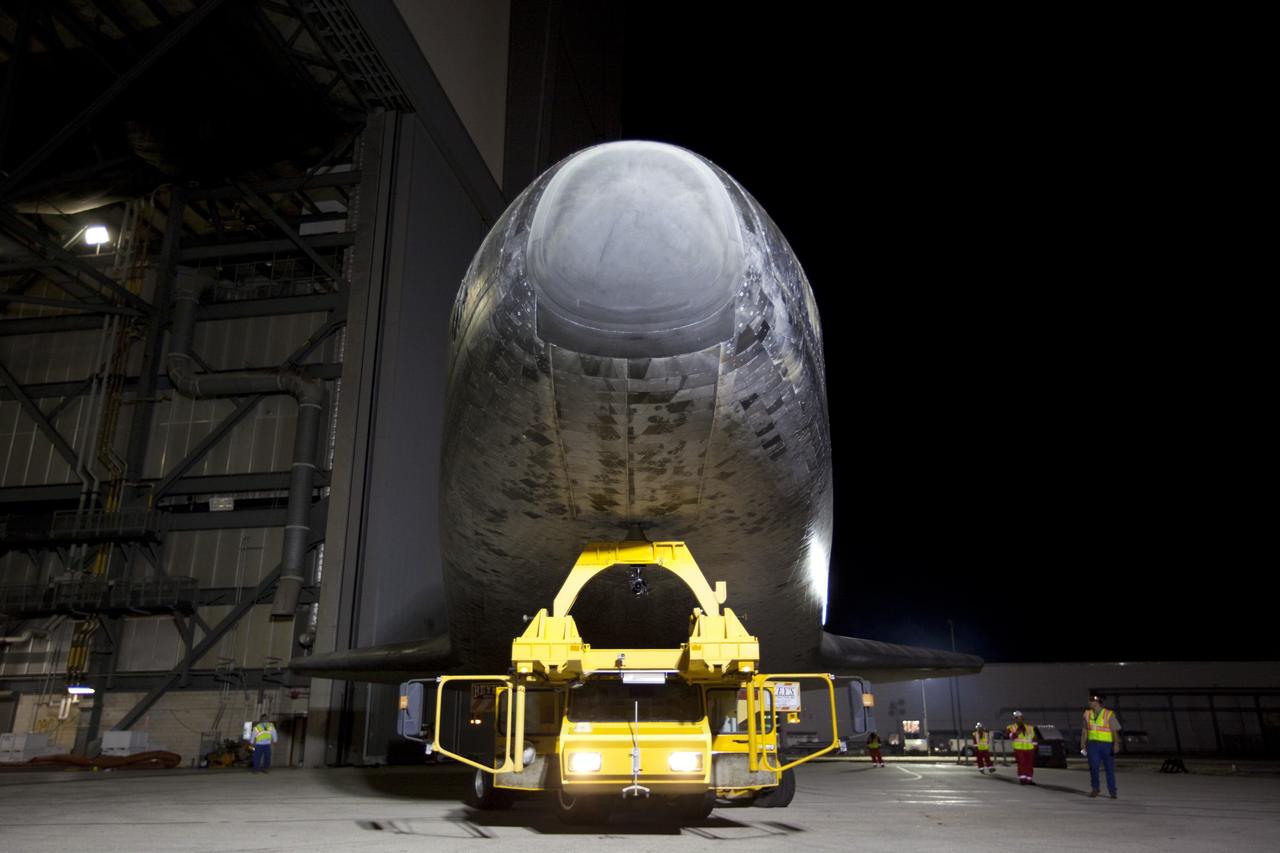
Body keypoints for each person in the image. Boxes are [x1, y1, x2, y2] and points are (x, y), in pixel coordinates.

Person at [1081, 694, 1121, 798]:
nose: (1090, 703)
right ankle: (1095, 789)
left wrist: (1116, 743)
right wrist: (1083, 744)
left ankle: (1112, 791)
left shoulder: (1108, 714)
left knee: (1109, 768)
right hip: (1093, 744)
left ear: (1098, 702)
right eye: (1089, 701)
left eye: (1092, 701)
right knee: (1094, 767)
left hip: (1107, 745)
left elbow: (1114, 730)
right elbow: (1085, 730)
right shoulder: (1087, 714)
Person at [1005, 711, 1038, 785]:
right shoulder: (1011, 727)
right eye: (1016, 718)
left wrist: (1035, 746)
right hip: (1019, 749)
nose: (1018, 719)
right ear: (1014, 719)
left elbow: (1034, 738)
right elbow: (1007, 736)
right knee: (1021, 763)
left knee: (1029, 764)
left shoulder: (1030, 727)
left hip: (1030, 749)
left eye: (1020, 718)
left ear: (1023, 718)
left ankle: (1029, 780)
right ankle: (1022, 779)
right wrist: (1016, 733)